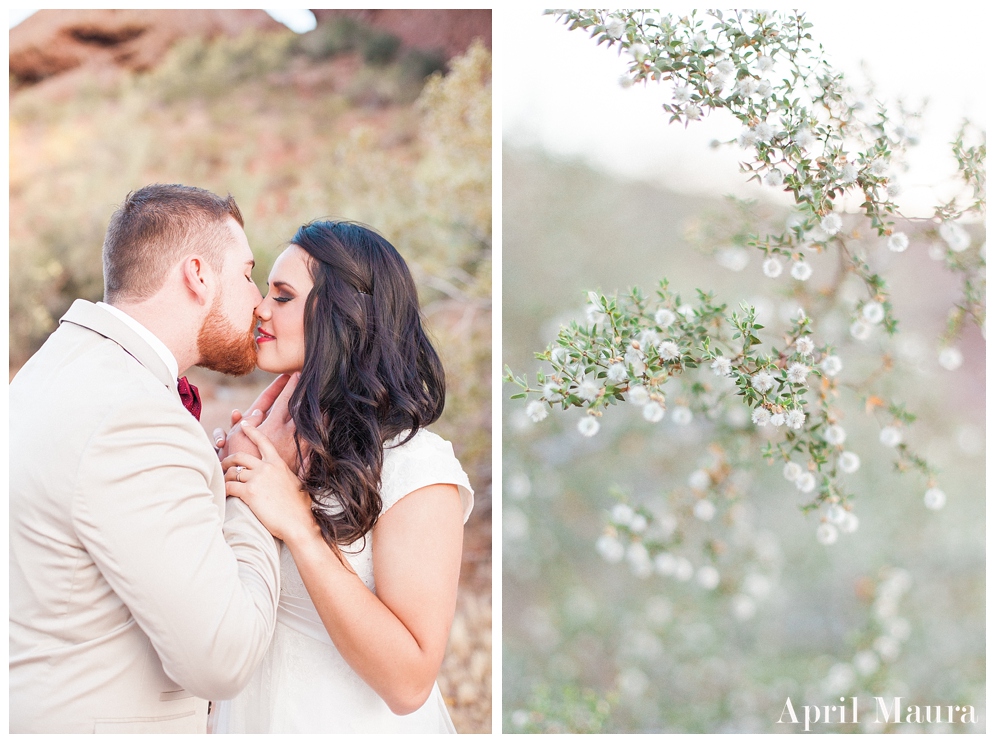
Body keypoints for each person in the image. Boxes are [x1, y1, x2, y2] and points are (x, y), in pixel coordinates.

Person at [9, 184, 287, 733]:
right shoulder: (135, 417)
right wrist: (251, 487)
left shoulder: (52, 369)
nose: (257, 301)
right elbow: (222, 658)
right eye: (247, 273)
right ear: (198, 275)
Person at [208, 220, 474, 733]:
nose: (259, 308)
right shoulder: (269, 448)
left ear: (343, 315)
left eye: (282, 296)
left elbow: (409, 683)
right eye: (266, 290)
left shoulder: (414, 467)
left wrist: (300, 527)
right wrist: (226, 490)